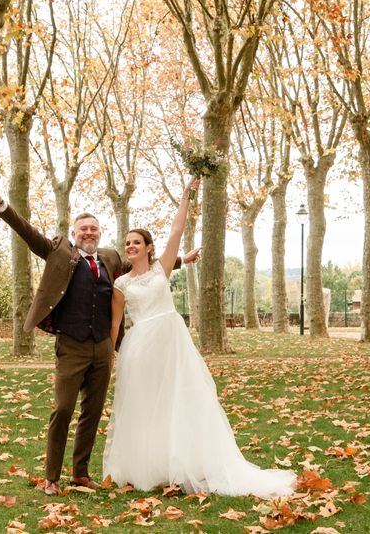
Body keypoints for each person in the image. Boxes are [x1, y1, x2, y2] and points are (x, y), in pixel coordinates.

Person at [0, 179, 200, 496]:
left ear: (99, 233)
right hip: (71, 346)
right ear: (74, 234)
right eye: (82, 229)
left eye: (93, 229)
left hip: (102, 347)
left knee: (92, 413)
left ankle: (80, 474)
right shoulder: (57, 251)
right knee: (63, 410)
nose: (88, 233)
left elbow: (144, 266)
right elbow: (28, 233)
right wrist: (2, 204)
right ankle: (52, 478)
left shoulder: (111, 258)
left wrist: (182, 260)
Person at [104, 178, 297, 499]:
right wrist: (112, 355)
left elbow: (177, 232)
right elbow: (115, 323)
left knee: (180, 400)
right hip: (138, 348)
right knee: (144, 406)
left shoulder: (161, 268)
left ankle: (186, 462)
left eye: (137, 241)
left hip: (170, 341)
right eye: (127, 242)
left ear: (149, 247)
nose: (131, 246)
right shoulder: (121, 283)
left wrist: (185, 196)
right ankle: (148, 468)